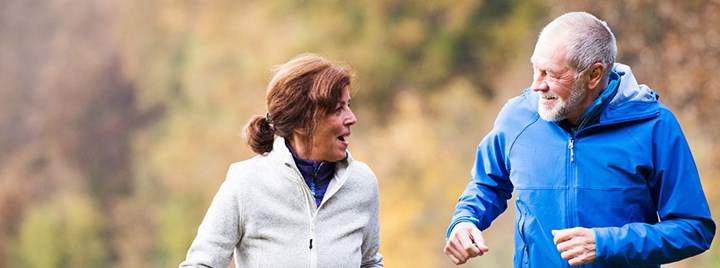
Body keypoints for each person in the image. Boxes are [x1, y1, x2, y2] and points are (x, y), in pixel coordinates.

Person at [444, 12, 715, 267]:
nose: (537, 85)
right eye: (535, 69)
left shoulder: (654, 126)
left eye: (550, 73)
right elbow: (486, 184)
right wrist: (465, 220)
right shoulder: (516, 117)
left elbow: (694, 228)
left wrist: (606, 244)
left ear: (594, 75)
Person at [180, 54, 383, 267]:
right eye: (337, 109)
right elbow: (201, 264)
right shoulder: (245, 183)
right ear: (301, 123)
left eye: (348, 106)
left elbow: (370, 262)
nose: (352, 118)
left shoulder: (362, 183)